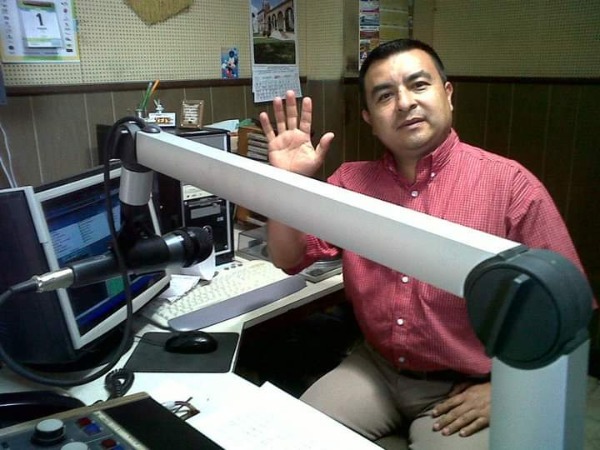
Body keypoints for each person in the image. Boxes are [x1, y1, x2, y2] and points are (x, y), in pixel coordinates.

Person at [258, 39, 588, 449]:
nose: (404, 103)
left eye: (418, 85)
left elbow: (570, 309)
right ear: (369, 118)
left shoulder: (510, 186)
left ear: (447, 95)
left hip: (467, 385)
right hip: (374, 368)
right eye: (384, 95)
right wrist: (286, 182)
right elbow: (289, 258)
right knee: (287, 437)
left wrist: (506, 386)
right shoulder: (351, 183)